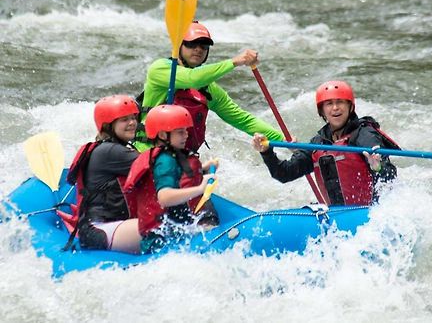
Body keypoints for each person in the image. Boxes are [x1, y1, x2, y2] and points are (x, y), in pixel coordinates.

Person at [133, 21, 283, 152]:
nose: (198, 49)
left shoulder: (208, 90)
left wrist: (283, 140)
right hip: (145, 154)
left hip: (180, 160)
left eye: (203, 46)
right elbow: (192, 79)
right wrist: (235, 61)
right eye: (191, 44)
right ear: (179, 45)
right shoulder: (161, 69)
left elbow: (243, 120)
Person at [252, 80, 398, 206]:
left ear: (350, 107)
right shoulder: (318, 143)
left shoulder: (364, 134)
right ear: (322, 111)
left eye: (340, 102)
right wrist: (266, 152)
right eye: (329, 104)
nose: (335, 108)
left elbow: (390, 176)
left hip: (367, 213)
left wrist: (378, 167)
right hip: (335, 214)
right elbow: (284, 174)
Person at [124, 104, 217, 254]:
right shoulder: (164, 161)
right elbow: (164, 197)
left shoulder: (169, 155)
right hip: (160, 239)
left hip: (172, 230)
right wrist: (200, 189)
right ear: (162, 135)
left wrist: (205, 168)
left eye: (186, 131)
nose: (186, 135)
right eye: (180, 132)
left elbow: (180, 176)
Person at [64, 95, 143, 253]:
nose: (132, 123)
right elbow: (157, 169)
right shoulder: (111, 151)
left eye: (133, 117)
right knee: (158, 225)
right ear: (108, 125)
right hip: (99, 230)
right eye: (124, 119)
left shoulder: (109, 148)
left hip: (112, 226)